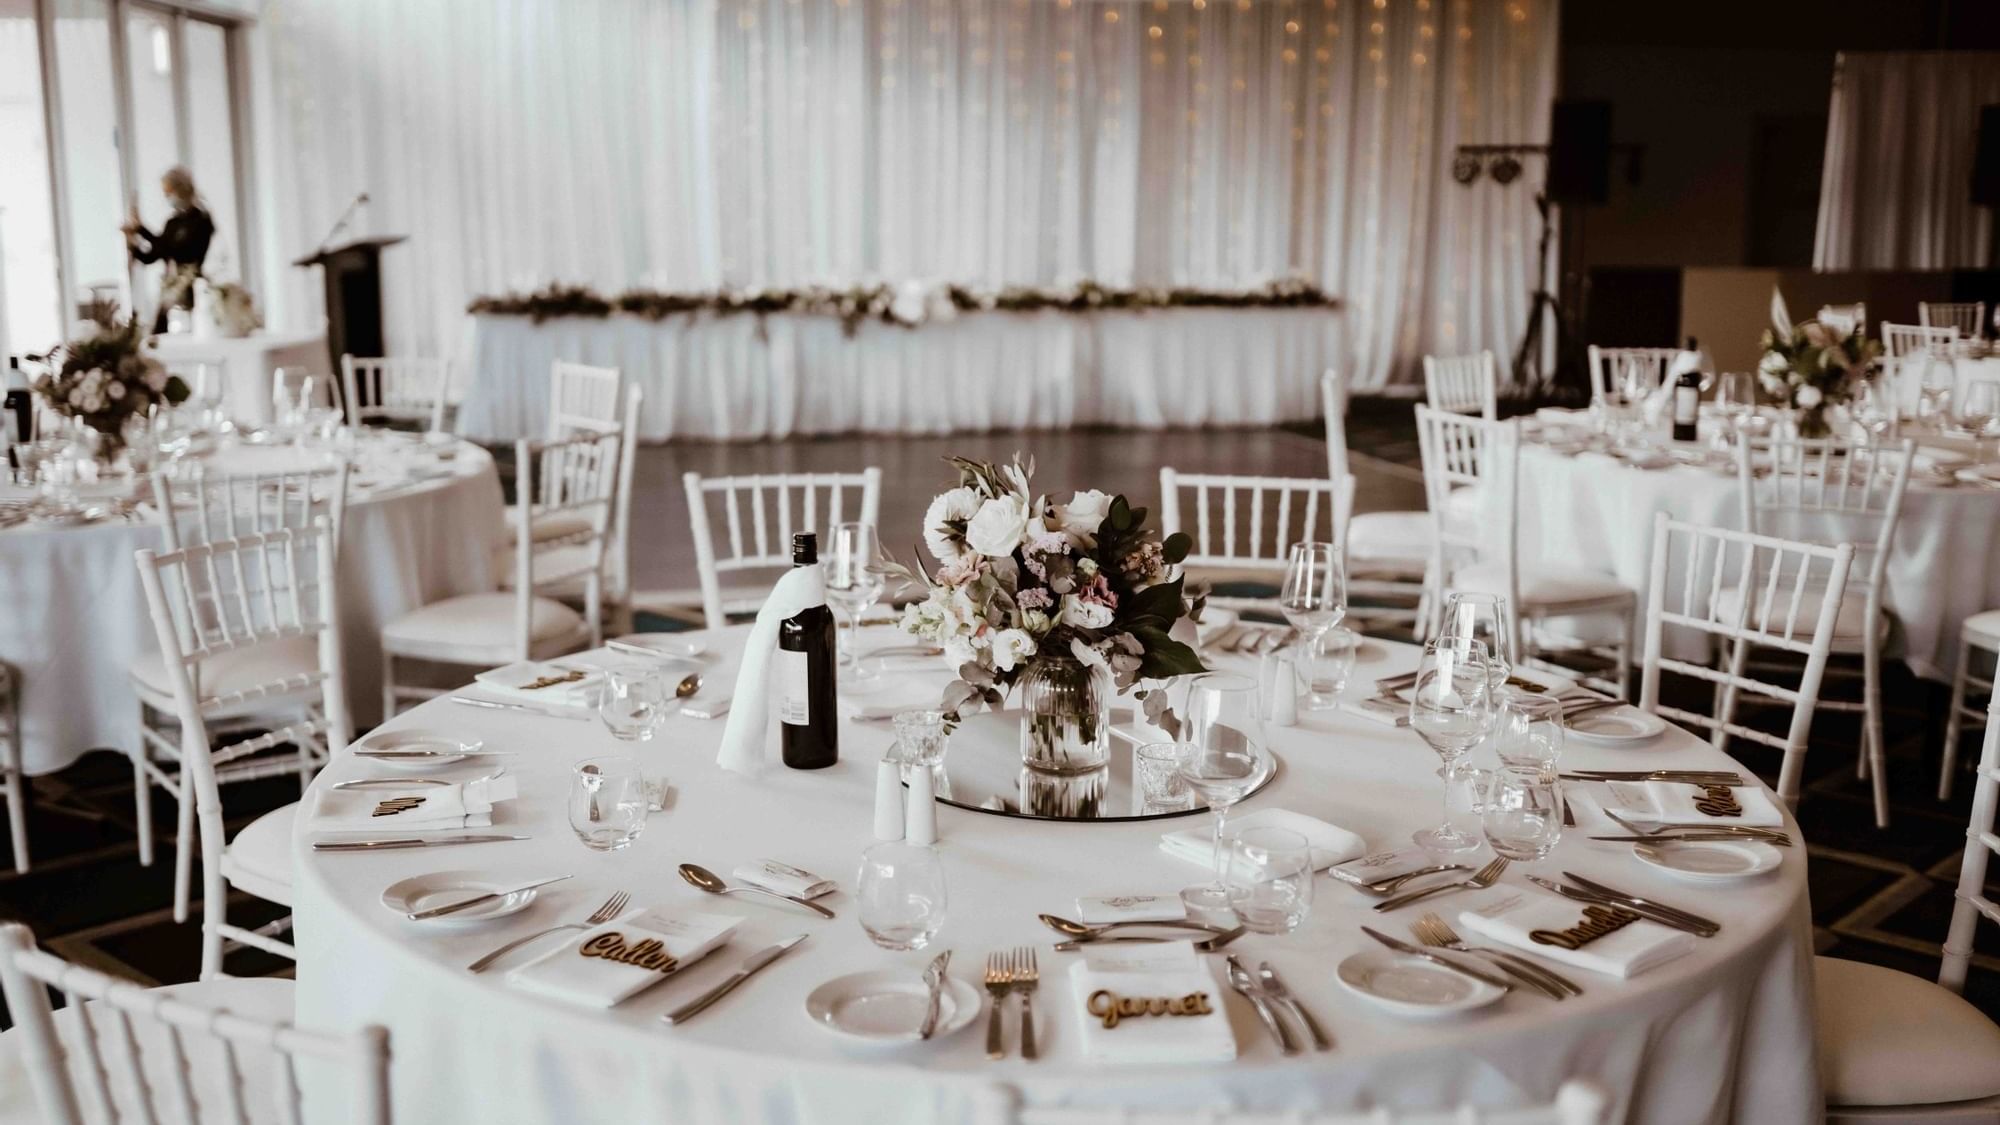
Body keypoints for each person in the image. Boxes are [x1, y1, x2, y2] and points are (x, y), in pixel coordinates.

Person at [122, 166, 214, 333]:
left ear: (180, 189)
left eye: (168, 191)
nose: (166, 196)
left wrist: (142, 230)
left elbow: (179, 250)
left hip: (191, 292)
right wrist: (133, 241)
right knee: (159, 333)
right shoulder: (173, 223)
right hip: (170, 291)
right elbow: (152, 255)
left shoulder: (201, 221)